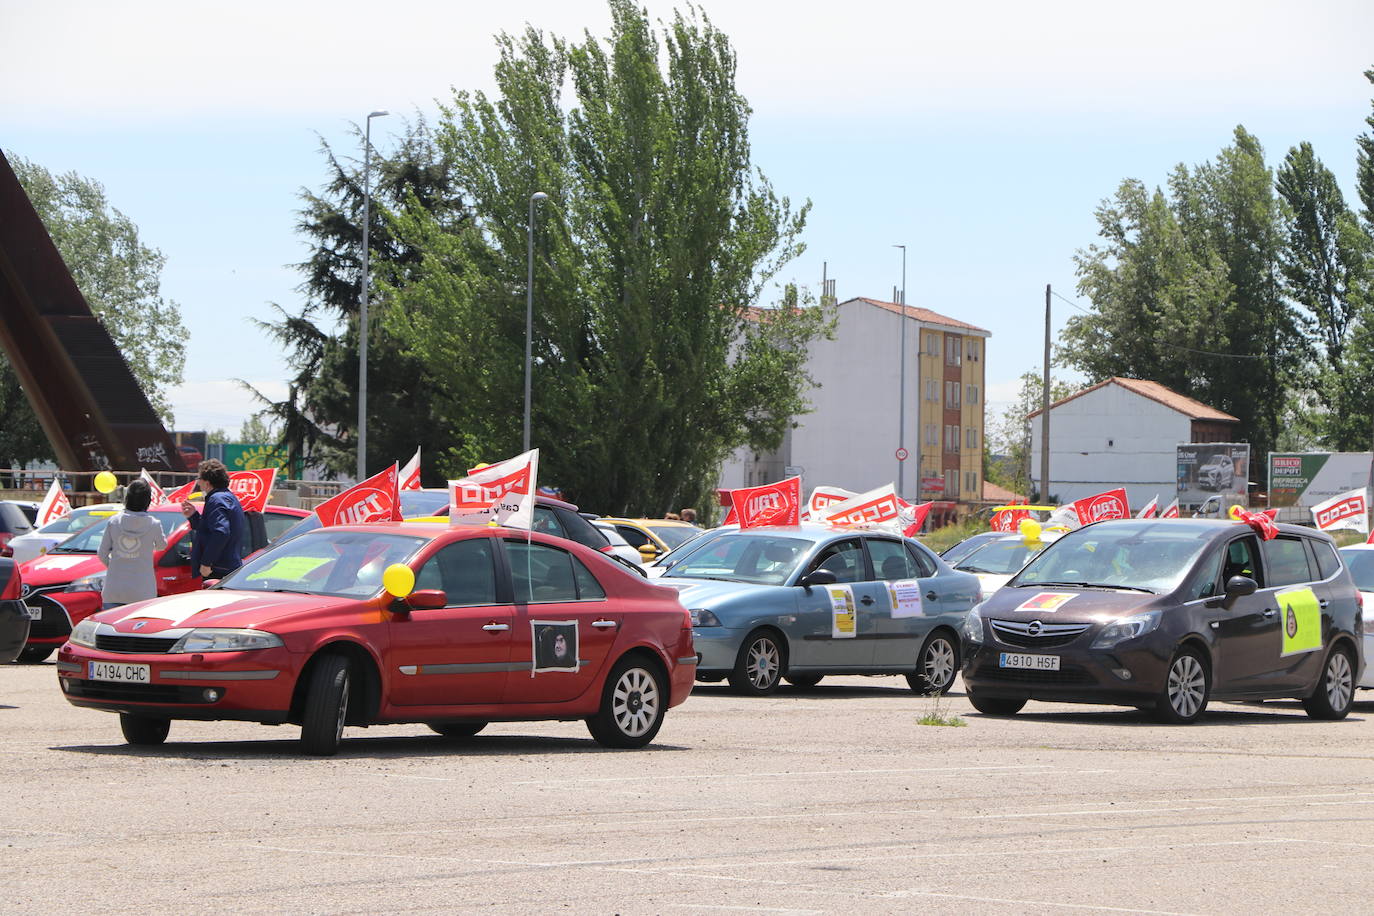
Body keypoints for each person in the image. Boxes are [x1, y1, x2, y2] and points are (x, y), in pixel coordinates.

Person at [97, 479, 167, 609]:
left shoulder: (114, 521)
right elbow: (162, 545)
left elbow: (102, 554)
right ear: (148, 500)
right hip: (143, 590)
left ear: (127, 498)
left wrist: (114, 566)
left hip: (115, 588)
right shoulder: (154, 524)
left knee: (109, 628)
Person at [182, 459, 246, 580]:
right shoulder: (226, 497)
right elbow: (209, 529)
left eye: (199, 478)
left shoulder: (217, 500)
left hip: (218, 570)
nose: (198, 483)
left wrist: (206, 562)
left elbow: (221, 532)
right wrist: (194, 516)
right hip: (225, 567)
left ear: (207, 482)